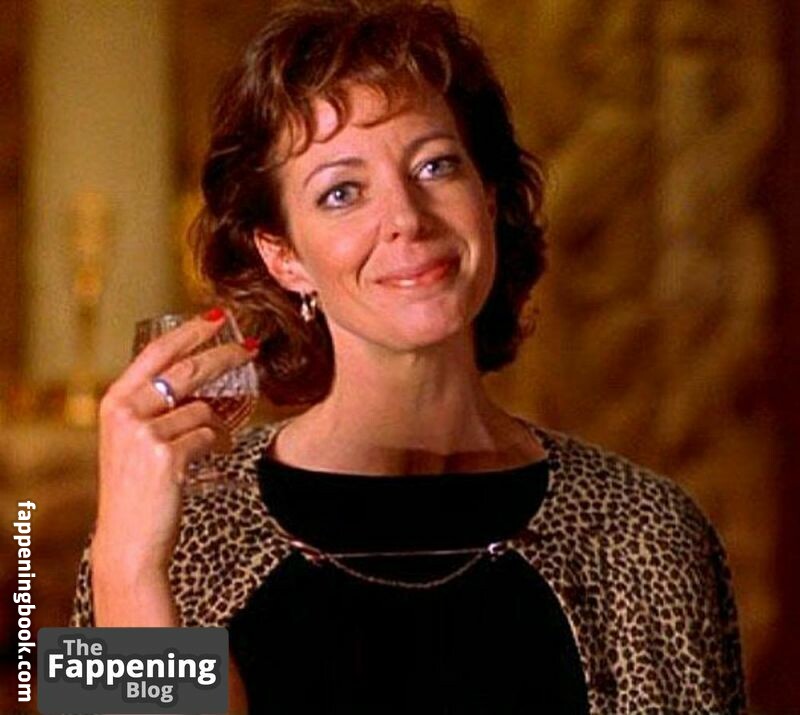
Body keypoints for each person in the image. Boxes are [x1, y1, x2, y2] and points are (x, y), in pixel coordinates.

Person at [70, 0, 746, 712]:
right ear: (283, 255)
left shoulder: (650, 528)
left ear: (488, 197)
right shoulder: (168, 535)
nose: (406, 219)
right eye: (341, 192)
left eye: (435, 165)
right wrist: (127, 569)